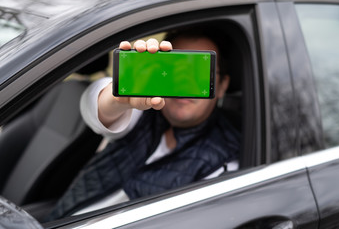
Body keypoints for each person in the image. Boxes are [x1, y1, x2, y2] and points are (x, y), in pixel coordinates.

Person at [46, 27, 240, 220]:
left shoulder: (224, 164)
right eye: (174, 68)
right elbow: (94, 107)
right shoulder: (141, 109)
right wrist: (117, 97)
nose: (183, 84)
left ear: (222, 85)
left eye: (198, 72)